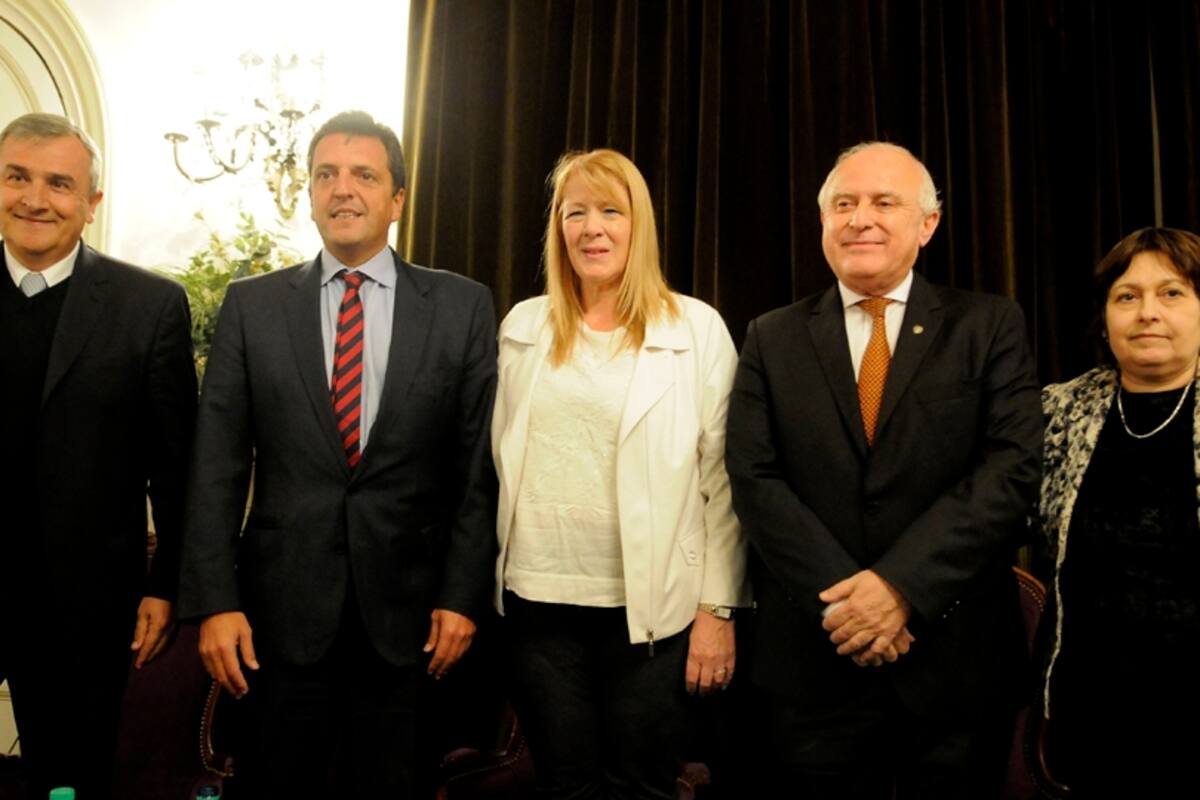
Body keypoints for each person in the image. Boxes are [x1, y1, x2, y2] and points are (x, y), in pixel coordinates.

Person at [177, 110, 498, 796]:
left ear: (397, 199)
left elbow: (476, 470)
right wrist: (213, 600)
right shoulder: (251, 307)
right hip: (276, 622)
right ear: (311, 193)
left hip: (411, 624)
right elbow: (215, 468)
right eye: (326, 174)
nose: (342, 189)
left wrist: (462, 595)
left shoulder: (462, 307)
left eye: (363, 175)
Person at [725, 141, 1043, 798]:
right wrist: (850, 602)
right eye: (843, 204)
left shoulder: (988, 325)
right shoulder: (770, 336)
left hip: (955, 661)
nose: (860, 218)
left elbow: (1011, 470)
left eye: (883, 202)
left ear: (927, 224)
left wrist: (898, 590)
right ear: (822, 223)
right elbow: (755, 479)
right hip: (817, 662)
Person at [492, 148, 748, 798]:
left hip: (653, 615)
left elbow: (725, 483)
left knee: (644, 786)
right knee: (564, 785)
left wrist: (717, 609)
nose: (591, 228)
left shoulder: (696, 329)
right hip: (538, 606)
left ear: (640, 227)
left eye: (610, 211)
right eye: (575, 212)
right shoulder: (522, 326)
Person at [0, 112, 197, 797]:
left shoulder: (150, 308)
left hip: (85, 603)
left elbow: (177, 469)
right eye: (17, 176)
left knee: (71, 778)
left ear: (91, 204)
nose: (34, 198)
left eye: (59, 183)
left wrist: (165, 583)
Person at [1038, 227, 1200, 797]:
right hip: (1089, 717)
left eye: (1172, 293)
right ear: (1104, 316)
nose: (1147, 312)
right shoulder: (1057, 411)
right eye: (1126, 296)